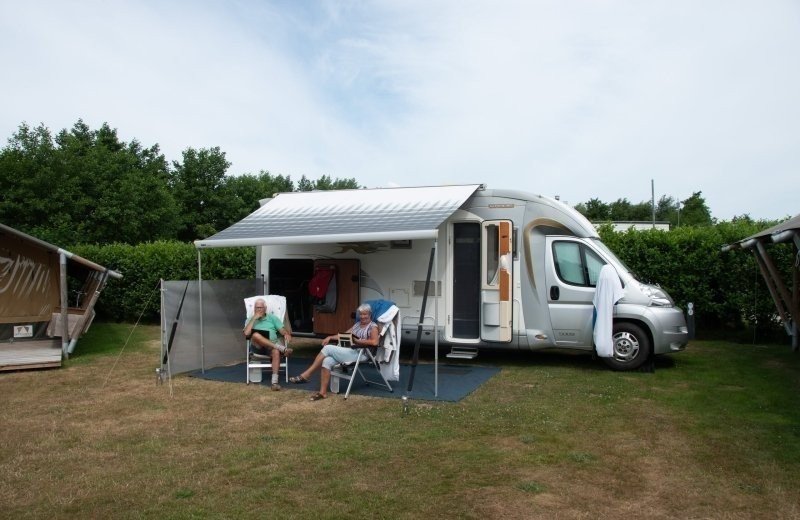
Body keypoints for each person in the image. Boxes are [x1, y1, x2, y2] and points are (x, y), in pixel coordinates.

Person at [289, 303, 380, 400]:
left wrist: (359, 341)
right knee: (327, 361)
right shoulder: (357, 325)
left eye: (365, 314)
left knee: (328, 348)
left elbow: (375, 342)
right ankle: (322, 392)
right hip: (351, 351)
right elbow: (343, 335)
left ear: (370, 314)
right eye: (361, 314)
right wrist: (330, 337)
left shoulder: (372, 327)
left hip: (362, 353)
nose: (362, 316)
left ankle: (307, 375)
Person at [243, 298, 293, 391]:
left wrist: (286, 333)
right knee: (255, 335)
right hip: (258, 348)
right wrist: (254, 319)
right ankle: (282, 349)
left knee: (276, 352)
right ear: (254, 308)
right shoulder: (250, 319)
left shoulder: (272, 318)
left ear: (265, 308)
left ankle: (274, 383)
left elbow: (282, 330)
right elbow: (246, 333)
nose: (258, 309)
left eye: (261, 307)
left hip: (271, 347)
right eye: (256, 307)